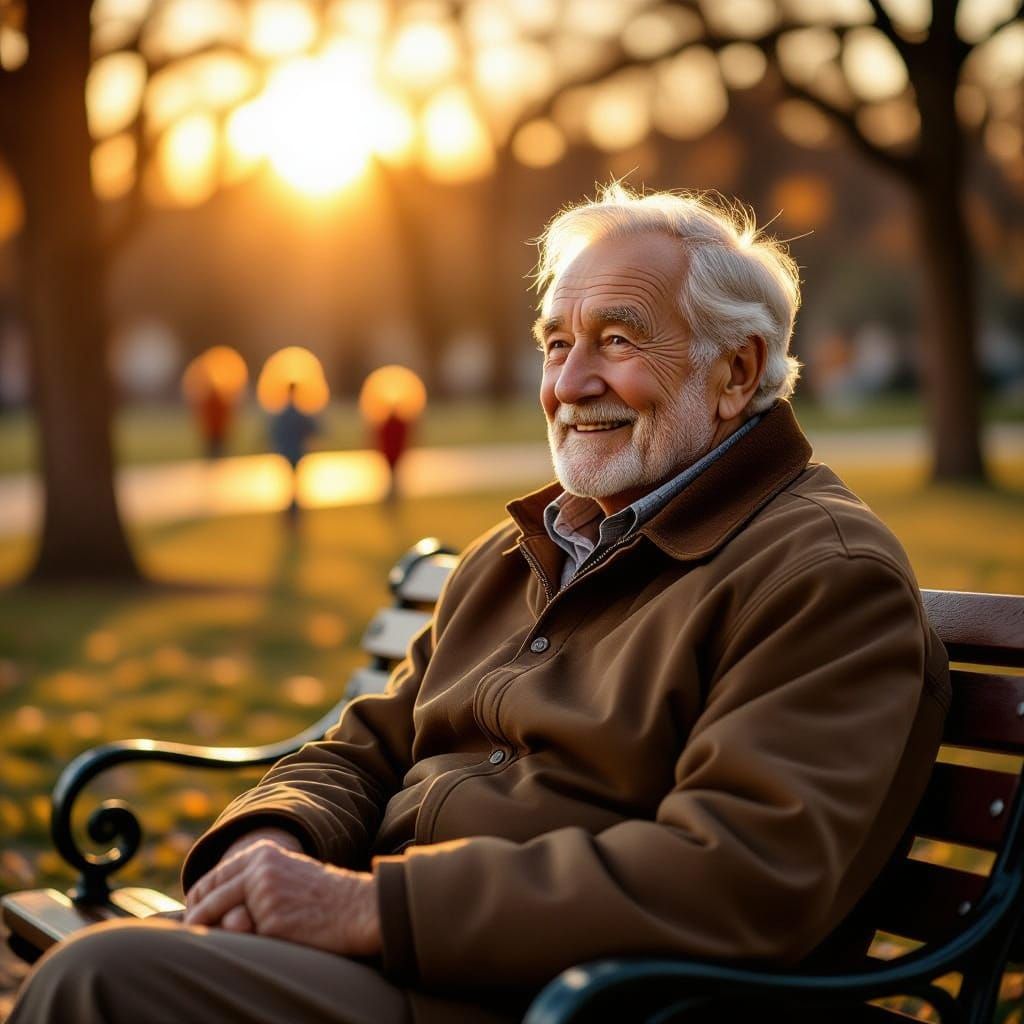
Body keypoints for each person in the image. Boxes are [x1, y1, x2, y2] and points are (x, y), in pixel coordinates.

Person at [10, 186, 950, 1024]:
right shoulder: (526, 548)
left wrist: (370, 909)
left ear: (737, 372)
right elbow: (365, 743)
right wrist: (273, 835)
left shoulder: (823, 574)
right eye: (556, 343)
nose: (569, 383)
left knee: (104, 982)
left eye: (616, 341)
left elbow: (737, 877)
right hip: (417, 961)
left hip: (565, 998)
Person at [269, 381, 318, 526]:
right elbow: (313, 429)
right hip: (294, 451)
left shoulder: (286, 413)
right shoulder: (295, 413)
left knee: (292, 483)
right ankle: (293, 512)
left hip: (289, 451)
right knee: (293, 483)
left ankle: (292, 512)